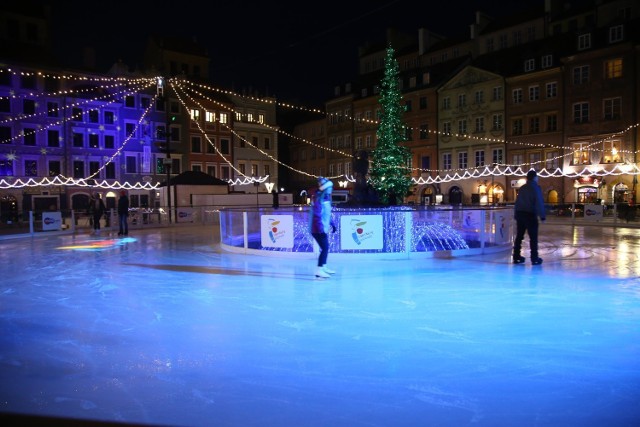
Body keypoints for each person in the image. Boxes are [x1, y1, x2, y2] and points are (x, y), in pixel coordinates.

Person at [513, 170, 546, 265]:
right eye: (537, 177)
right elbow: (539, 202)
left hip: (520, 214)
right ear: (535, 177)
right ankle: (534, 258)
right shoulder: (535, 188)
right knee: (533, 237)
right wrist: (542, 216)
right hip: (530, 215)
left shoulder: (523, 188)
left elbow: (517, 202)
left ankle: (516, 256)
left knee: (519, 236)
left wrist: (516, 214)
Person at [310, 177, 337, 278]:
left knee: (325, 248)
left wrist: (332, 224)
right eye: (329, 187)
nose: (331, 189)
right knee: (325, 248)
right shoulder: (318, 199)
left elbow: (327, 214)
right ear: (325, 188)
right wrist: (320, 228)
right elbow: (317, 215)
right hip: (317, 229)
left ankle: (323, 266)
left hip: (321, 228)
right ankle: (319, 270)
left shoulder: (325, 198)